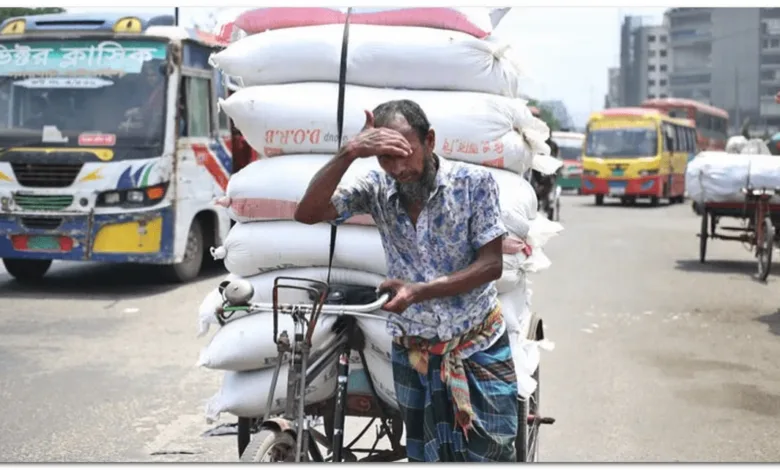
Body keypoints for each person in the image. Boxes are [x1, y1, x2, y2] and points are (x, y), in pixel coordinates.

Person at [294, 100, 518, 462]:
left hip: (477, 345)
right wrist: (349, 152)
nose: (398, 168)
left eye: (404, 153)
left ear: (429, 140)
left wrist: (420, 291)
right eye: (385, 158)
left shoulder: (473, 184)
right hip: (416, 353)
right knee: (423, 455)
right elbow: (307, 213)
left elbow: (491, 265)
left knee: (490, 452)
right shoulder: (376, 188)